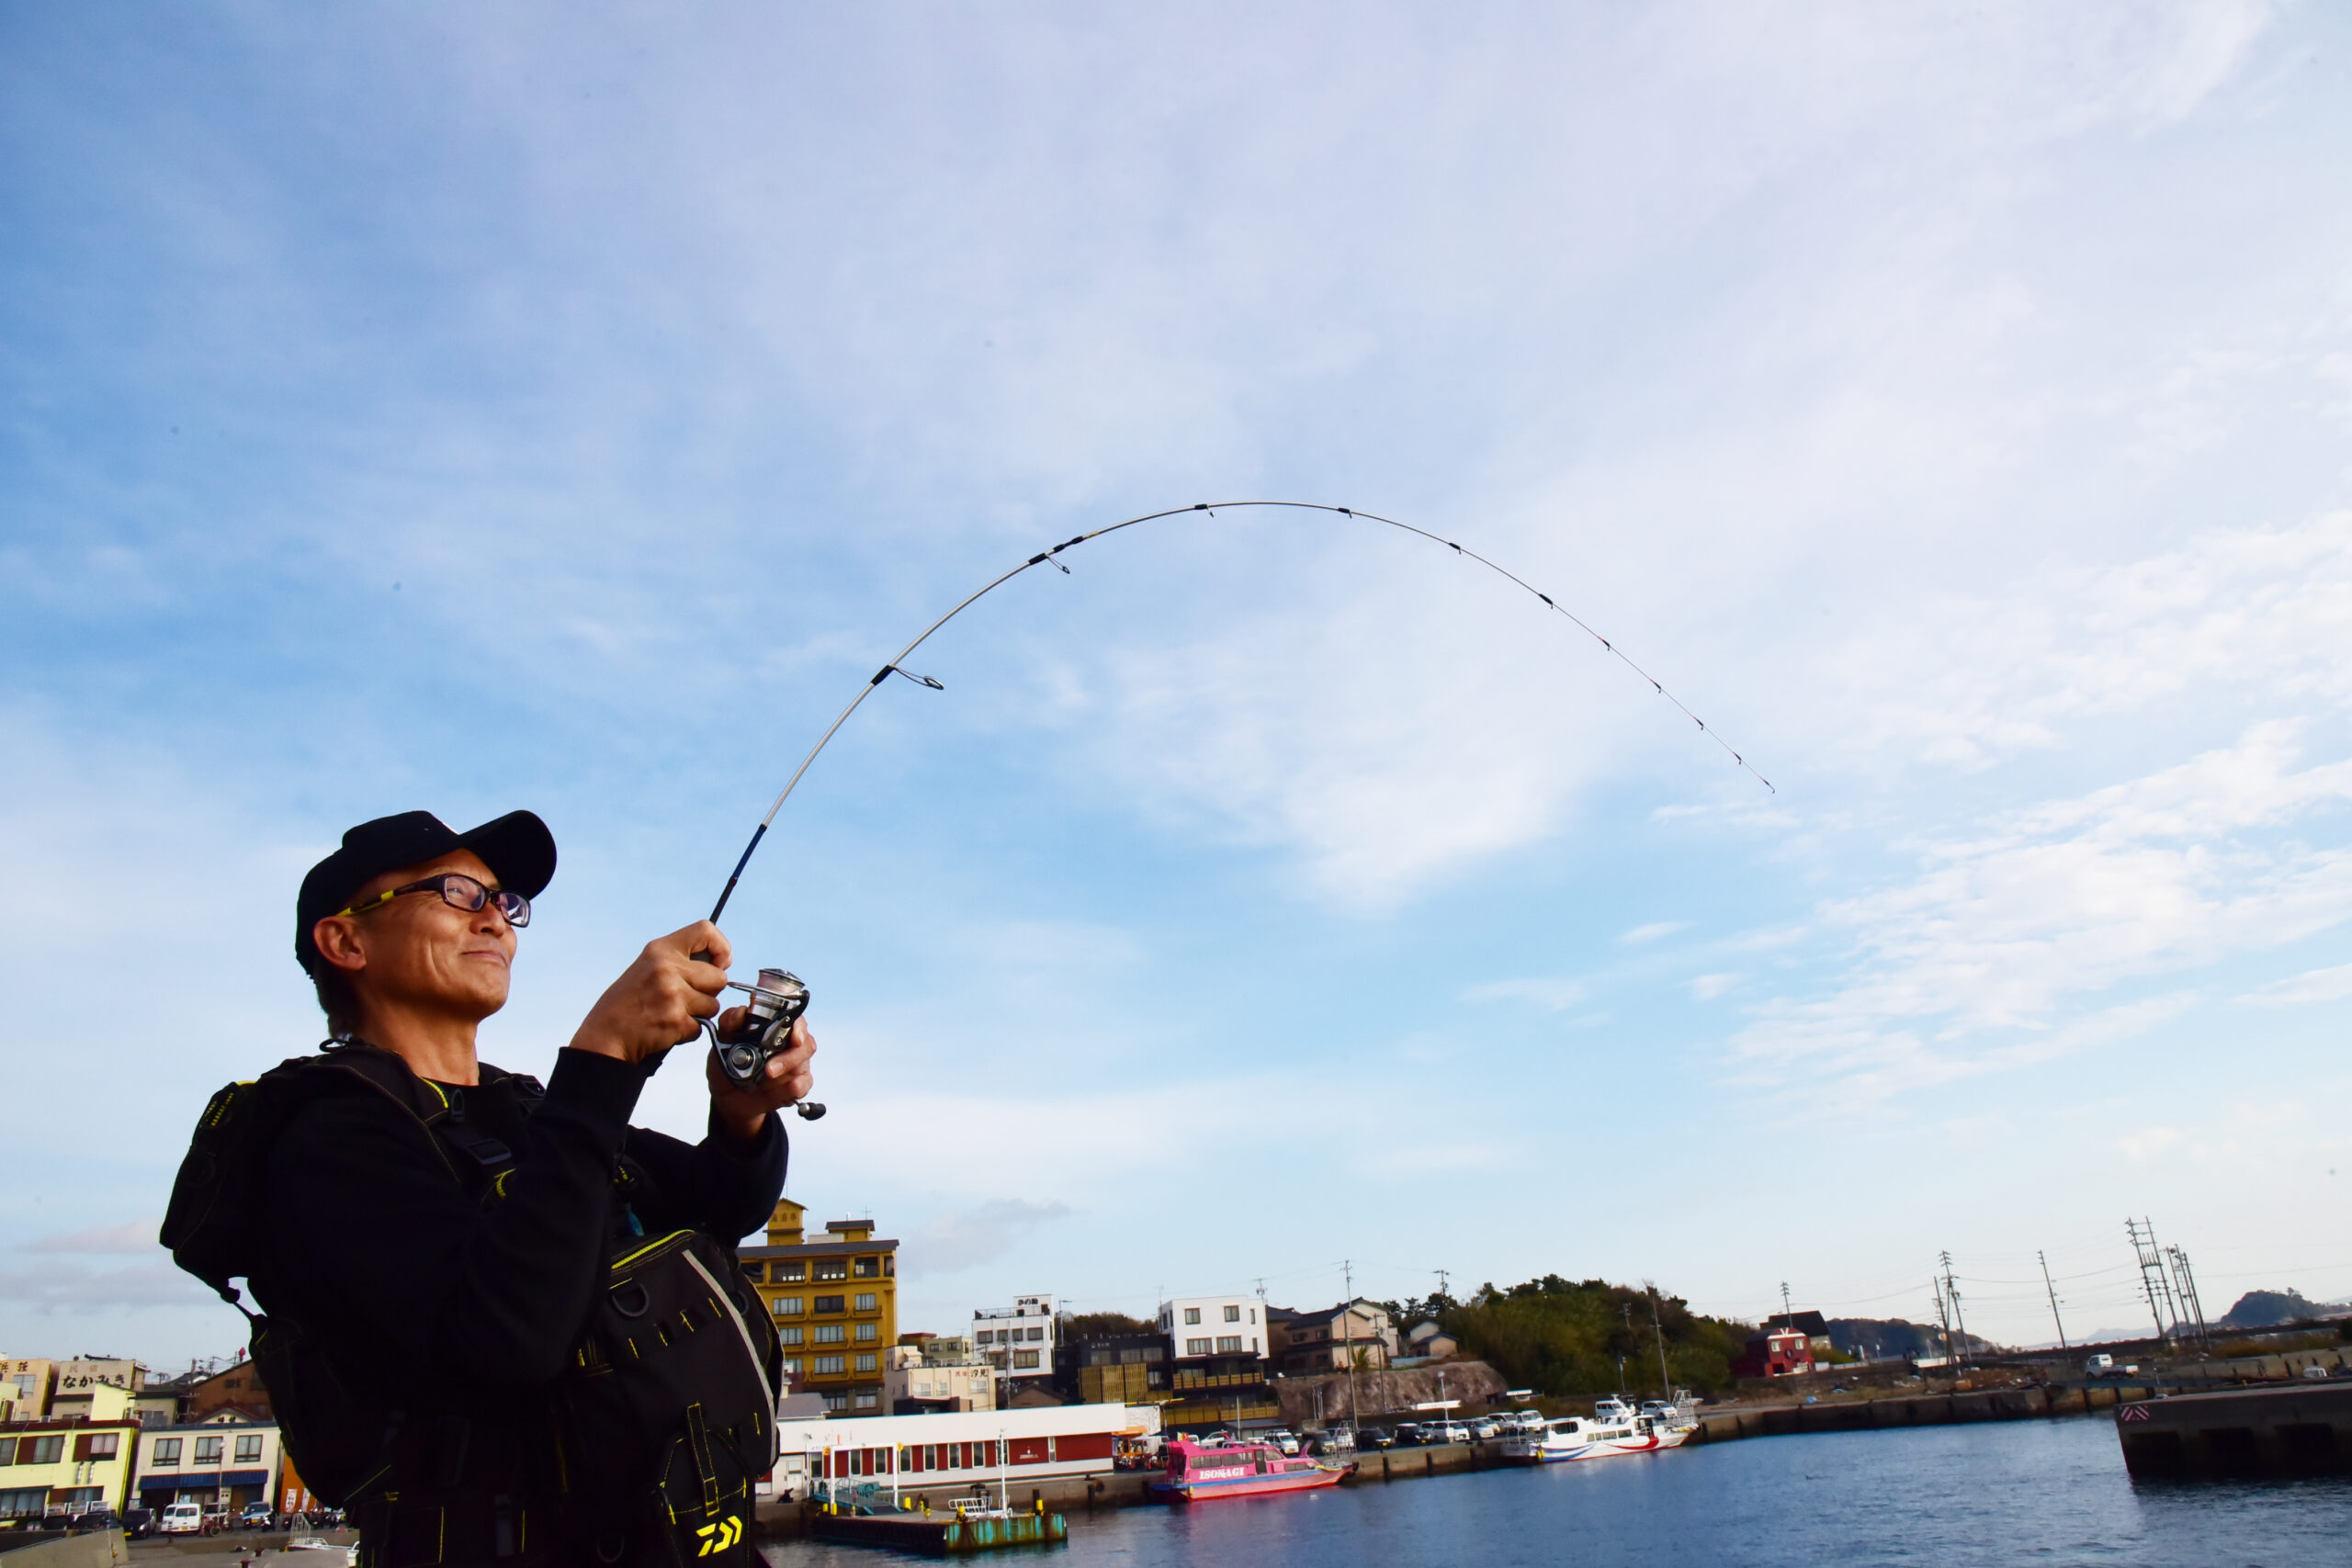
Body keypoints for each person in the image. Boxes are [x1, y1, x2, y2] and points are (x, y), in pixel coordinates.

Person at [232, 809, 814, 1567]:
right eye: (455, 892)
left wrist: (741, 1115)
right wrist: (604, 1055)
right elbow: (508, 1337)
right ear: (346, 940)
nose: (495, 919)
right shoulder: (323, 1137)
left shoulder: (528, 1108)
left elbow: (718, 1207)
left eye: (503, 902)